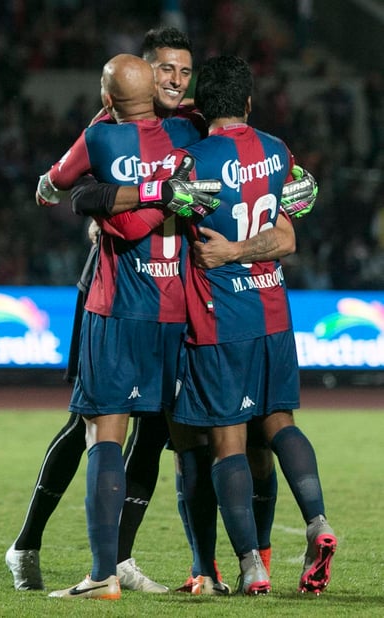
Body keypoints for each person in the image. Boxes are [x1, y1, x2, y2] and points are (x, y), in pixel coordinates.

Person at [5, 27, 205, 595]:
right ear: (142, 73)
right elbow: (69, 185)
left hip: (173, 301)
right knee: (85, 425)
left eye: (183, 72)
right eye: (164, 69)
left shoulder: (194, 125)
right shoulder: (106, 129)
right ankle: (28, 541)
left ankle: (118, 560)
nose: (174, 80)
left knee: (153, 431)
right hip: (111, 293)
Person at [151, 54, 337, 596]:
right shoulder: (279, 154)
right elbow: (289, 234)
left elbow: (161, 210)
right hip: (273, 310)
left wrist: (224, 250)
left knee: (226, 440)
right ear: (251, 103)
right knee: (280, 423)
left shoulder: (192, 159)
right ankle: (318, 522)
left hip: (218, 315)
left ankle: (252, 566)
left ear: (202, 107)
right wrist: (244, 249)